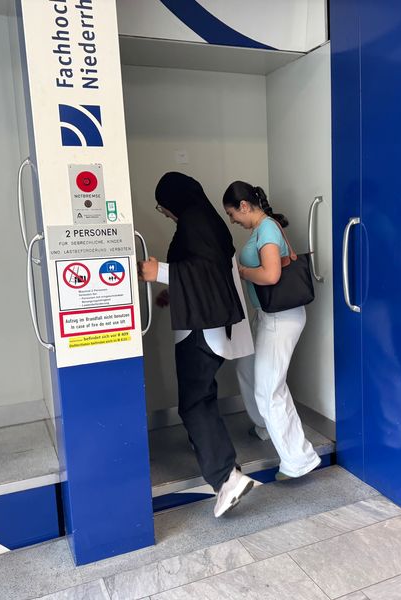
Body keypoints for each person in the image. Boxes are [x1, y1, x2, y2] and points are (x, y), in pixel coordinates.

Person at [138, 172, 256, 518]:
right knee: (201, 396)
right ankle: (214, 457)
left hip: (201, 329)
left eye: (163, 207)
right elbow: (205, 272)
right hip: (207, 323)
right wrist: (172, 290)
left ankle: (226, 477)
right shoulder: (206, 221)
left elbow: (204, 272)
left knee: (194, 403)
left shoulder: (195, 222)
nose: (165, 213)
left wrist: (160, 272)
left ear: (174, 199)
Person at [222, 181, 321, 480]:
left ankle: (298, 460)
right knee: (246, 368)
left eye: (232, 214)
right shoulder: (264, 229)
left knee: (269, 389)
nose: (232, 221)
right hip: (269, 315)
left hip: (280, 318)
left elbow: (271, 275)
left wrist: (241, 272)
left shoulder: (266, 229)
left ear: (244, 206)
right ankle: (266, 425)